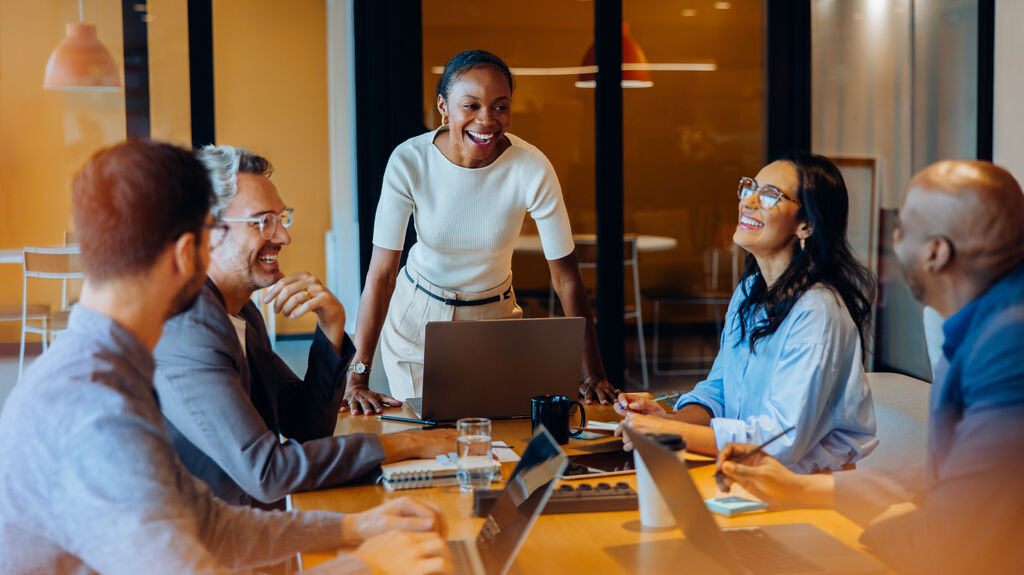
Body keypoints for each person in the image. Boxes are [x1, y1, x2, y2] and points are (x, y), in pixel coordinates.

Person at [0, 140, 451, 575]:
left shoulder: (107, 367)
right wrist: (368, 564)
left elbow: (209, 524)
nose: (284, 235)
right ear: (187, 254)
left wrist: (355, 528)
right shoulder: (98, 413)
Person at [715, 160, 1024, 575]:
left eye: (902, 228)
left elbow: (961, 528)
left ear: (936, 252)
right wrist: (802, 489)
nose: (892, 242)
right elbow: (948, 473)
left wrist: (864, 543)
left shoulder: (1007, 345)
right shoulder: (976, 324)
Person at [153, 145, 454, 509]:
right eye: (264, 221)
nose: (283, 236)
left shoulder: (241, 312)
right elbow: (267, 471)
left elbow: (306, 426)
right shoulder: (187, 328)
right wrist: (409, 442)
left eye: (281, 218)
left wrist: (332, 326)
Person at [343, 49, 616, 413]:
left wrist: (593, 373)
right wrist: (357, 377)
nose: (486, 120)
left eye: (500, 106)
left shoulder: (531, 167)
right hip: (418, 322)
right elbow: (381, 276)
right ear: (444, 106)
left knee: (498, 433)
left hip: (496, 320)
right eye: (470, 106)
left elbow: (566, 278)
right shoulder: (410, 160)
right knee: (429, 432)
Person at [615, 152, 877, 473]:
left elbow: (781, 440)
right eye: (749, 188)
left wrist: (672, 432)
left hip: (805, 485)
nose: (748, 201)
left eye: (768, 195)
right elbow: (720, 390)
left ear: (807, 225)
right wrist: (669, 420)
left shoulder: (818, 309)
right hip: (743, 469)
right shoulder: (749, 291)